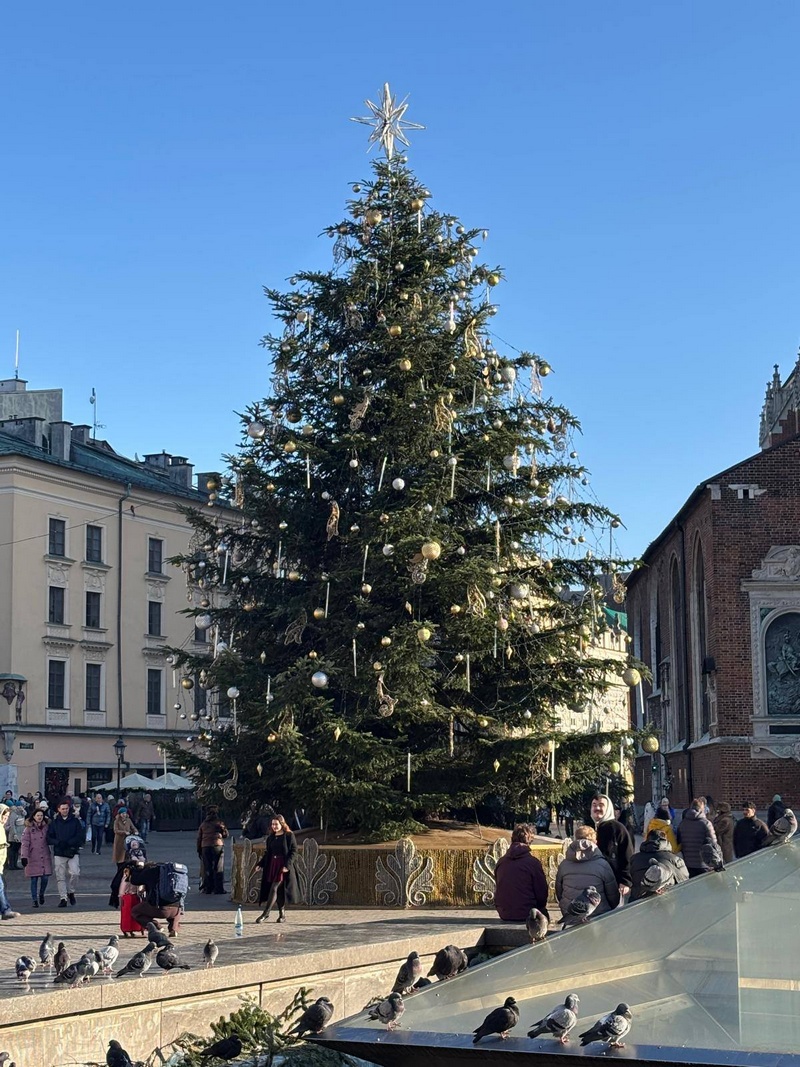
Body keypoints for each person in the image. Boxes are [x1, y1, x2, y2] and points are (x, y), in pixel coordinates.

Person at [555, 825, 620, 920]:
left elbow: (559, 892)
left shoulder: (564, 864)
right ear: (595, 841)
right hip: (598, 915)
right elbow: (613, 896)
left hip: (570, 914)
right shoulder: (603, 865)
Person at [493, 823, 549, 922]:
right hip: (529, 913)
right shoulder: (533, 863)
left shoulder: (501, 862)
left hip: (505, 913)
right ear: (530, 840)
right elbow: (541, 892)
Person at [253, 815, 299, 923]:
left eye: (276, 824)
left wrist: (287, 865)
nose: (274, 826)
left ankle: (266, 913)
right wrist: (260, 864)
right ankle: (282, 915)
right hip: (273, 865)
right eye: (273, 824)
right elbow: (268, 853)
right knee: (278, 890)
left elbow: (294, 851)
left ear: (282, 824)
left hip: (283, 866)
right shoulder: (271, 837)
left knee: (274, 887)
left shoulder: (289, 835)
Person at [590, 793, 634, 898]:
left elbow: (627, 855)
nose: (597, 808)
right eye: (594, 805)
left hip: (614, 883)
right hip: (596, 882)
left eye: (601, 805)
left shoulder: (616, 828)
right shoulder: (592, 827)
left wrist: (625, 881)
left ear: (608, 809)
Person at [629, 829, 689, 902]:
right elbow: (685, 881)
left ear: (647, 840)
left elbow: (628, 881)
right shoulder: (676, 859)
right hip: (667, 901)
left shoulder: (634, 859)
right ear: (665, 840)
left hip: (637, 902)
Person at [128, 862, 184, 937]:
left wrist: (139, 868)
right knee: (174, 907)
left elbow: (134, 880)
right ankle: (173, 929)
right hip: (176, 910)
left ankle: (156, 927)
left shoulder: (150, 871)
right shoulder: (170, 872)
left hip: (159, 909)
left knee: (135, 911)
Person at [47, 797, 84, 906]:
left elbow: (80, 836)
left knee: (75, 873)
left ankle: (71, 891)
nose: (65, 810)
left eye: (66, 808)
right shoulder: (54, 823)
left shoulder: (75, 821)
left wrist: (70, 842)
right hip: (59, 851)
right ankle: (63, 897)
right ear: (59, 809)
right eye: (63, 809)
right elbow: (49, 837)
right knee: (60, 876)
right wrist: (58, 842)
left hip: (72, 851)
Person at [677, 797, 719, 877]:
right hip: (704, 863)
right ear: (702, 809)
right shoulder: (706, 823)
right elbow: (713, 843)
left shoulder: (682, 824)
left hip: (687, 863)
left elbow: (679, 841)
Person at [20, 807, 52, 907]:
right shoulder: (28, 829)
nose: (39, 817)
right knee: (34, 879)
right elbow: (25, 843)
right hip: (33, 856)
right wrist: (24, 856)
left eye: (41, 815)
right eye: (38, 815)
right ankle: (34, 899)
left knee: (45, 878)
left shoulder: (46, 827)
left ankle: (41, 893)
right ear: (34, 816)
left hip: (44, 855)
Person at [197, 807, 229, 895]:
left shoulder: (203, 824)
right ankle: (218, 889)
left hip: (205, 846)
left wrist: (199, 849)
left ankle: (208, 888)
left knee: (207, 868)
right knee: (218, 867)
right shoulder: (219, 823)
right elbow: (226, 835)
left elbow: (199, 838)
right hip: (217, 845)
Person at [0, 805, 19, 918]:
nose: (5, 819)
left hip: (1, 863)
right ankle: (5, 910)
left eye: (7, 817)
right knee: (0, 887)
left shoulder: (1, 827)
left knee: (2, 886)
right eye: (4, 816)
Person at [118, 865, 146, 937]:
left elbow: (122, 890)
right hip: (133, 897)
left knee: (129, 914)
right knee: (131, 914)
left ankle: (129, 929)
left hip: (130, 898)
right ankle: (131, 929)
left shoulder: (126, 878)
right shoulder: (134, 878)